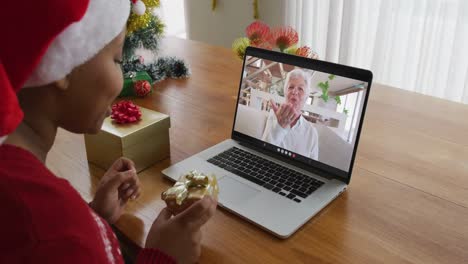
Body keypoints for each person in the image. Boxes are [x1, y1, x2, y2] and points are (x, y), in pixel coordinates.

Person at [0, 1, 216, 263]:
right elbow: (58, 244)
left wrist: (94, 217)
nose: (123, 76)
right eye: (117, 59)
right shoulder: (55, 229)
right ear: (64, 63)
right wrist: (163, 257)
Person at [262, 69, 319, 160]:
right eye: (291, 87)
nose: (294, 92)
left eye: (300, 88)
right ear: (285, 93)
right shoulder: (274, 115)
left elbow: (313, 167)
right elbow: (262, 153)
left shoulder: (311, 132)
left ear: (306, 97)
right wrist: (279, 127)